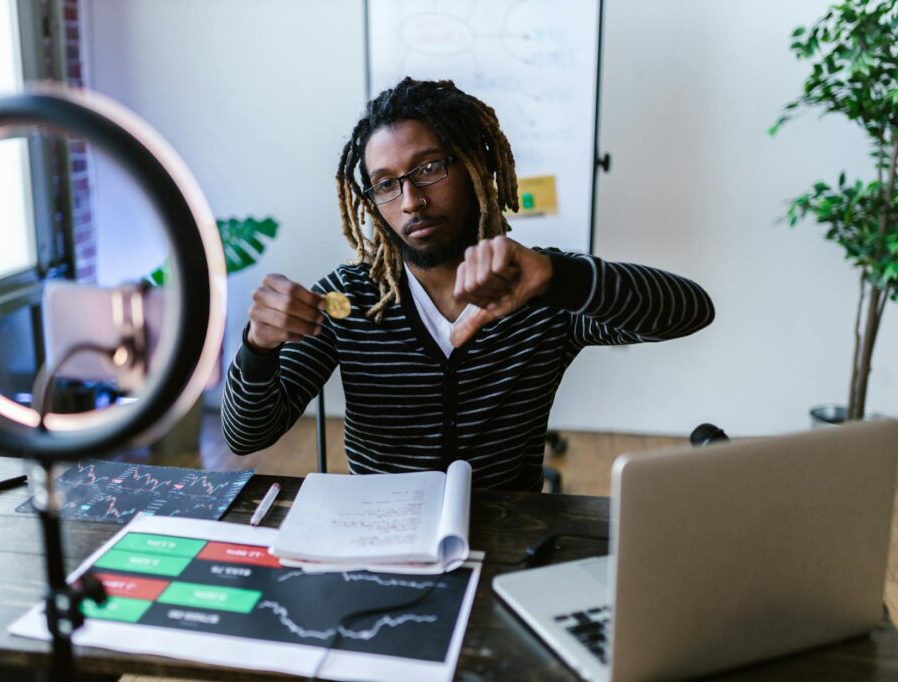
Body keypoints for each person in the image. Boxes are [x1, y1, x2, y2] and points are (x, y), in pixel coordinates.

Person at [221, 78, 714, 491]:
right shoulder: (352, 299)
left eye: (429, 168)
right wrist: (258, 347)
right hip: (379, 541)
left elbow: (691, 311)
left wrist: (561, 279)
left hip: (508, 539)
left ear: (475, 166)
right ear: (372, 202)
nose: (410, 200)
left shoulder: (538, 285)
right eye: (386, 183)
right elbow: (247, 435)